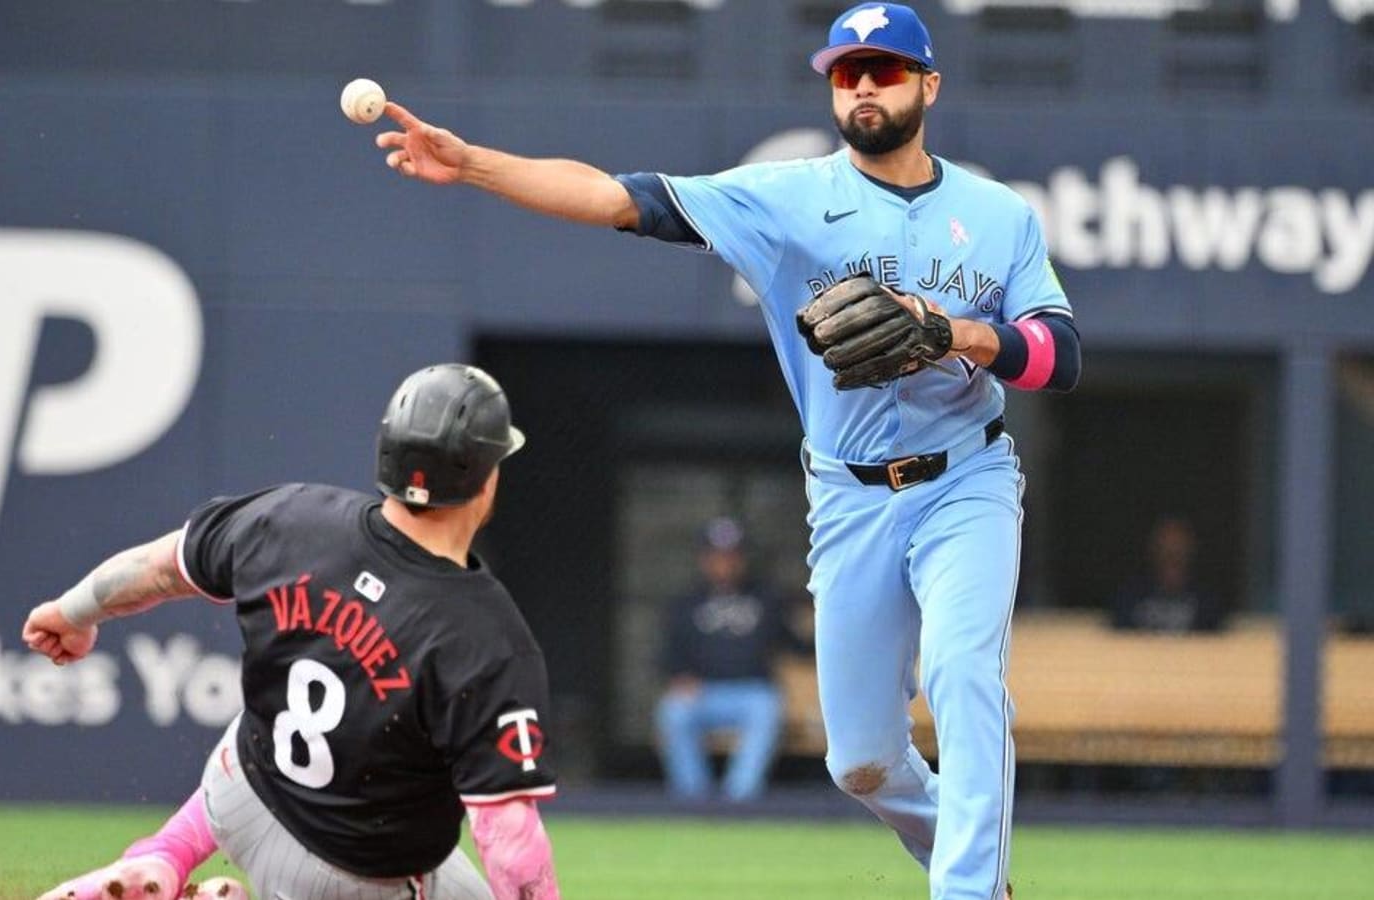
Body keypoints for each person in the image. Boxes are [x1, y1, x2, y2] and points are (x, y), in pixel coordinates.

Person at [370, 4, 1080, 896]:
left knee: (962, 671)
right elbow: (615, 197)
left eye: (886, 69)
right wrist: (472, 164)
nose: (863, 85)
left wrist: (958, 334)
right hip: (851, 497)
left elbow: (1060, 354)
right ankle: (963, 854)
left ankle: (968, 889)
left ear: (927, 84)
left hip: (966, 479)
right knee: (860, 760)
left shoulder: (996, 214)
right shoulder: (785, 198)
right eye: (846, 72)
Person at [24, 364, 563, 900]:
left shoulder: (290, 519)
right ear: (488, 478)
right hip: (353, 877)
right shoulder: (485, 637)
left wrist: (72, 614)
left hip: (237, 795)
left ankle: (165, 854)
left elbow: (161, 567)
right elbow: (506, 837)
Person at [655, 517, 800, 802]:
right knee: (673, 711)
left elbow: (794, 644)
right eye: (717, 556)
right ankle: (693, 799)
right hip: (703, 693)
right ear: (704, 559)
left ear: (743, 558)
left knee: (767, 708)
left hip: (752, 692)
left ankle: (739, 800)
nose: (725, 563)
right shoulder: (686, 602)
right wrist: (679, 677)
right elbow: (667, 655)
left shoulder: (766, 597)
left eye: (732, 556)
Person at [1110, 515, 1228, 633]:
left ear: (1190, 552)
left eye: (1179, 550)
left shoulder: (1207, 602)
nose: (1172, 557)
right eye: (1165, 549)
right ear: (1154, 551)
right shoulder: (1130, 598)